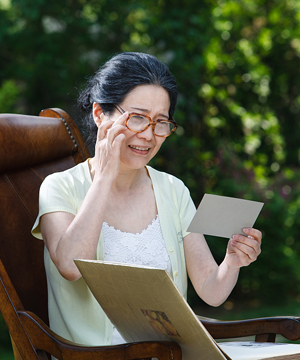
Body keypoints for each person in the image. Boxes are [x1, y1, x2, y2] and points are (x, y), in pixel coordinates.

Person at [31, 52, 262, 346]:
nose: (148, 135)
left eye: (161, 122)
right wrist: (103, 178)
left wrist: (232, 261)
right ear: (100, 114)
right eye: (137, 118)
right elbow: (70, 266)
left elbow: (211, 291)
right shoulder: (59, 187)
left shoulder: (173, 190)